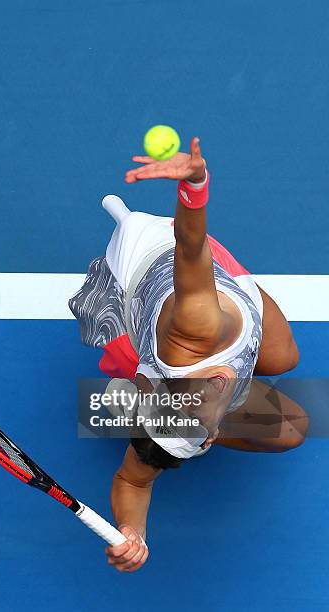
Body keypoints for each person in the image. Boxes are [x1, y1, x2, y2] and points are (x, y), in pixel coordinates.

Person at [69, 137, 308, 572]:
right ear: (212, 438)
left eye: (187, 404)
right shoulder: (182, 415)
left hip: (151, 261)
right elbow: (131, 480)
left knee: (284, 360)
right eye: (200, 418)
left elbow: (191, 247)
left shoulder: (193, 329)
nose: (215, 386)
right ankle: (129, 405)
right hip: (153, 323)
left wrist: (195, 184)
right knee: (294, 429)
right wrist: (131, 532)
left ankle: (121, 402)